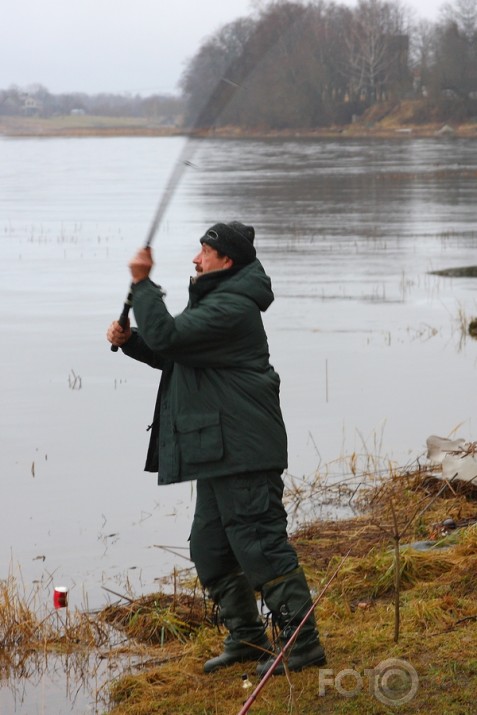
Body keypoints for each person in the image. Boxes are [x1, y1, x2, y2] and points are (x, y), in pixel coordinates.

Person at [106, 221, 326, 676]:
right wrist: (132, 342)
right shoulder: (216, 302)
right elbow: (176, 353)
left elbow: (172, 337)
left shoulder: (232, 306)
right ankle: (246, 638)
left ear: (226, 260)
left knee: (261, 545)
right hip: (222, 450)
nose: (195, 259)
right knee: (211, 550)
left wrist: (143, 284)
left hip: (244, 449)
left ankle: (303, 645)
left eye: (203, 251)